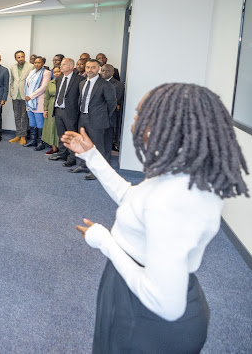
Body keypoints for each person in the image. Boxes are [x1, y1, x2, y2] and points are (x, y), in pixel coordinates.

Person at [61, 83, 249, 353]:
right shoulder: (178, 174)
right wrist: (92, 156)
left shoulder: (176, 197)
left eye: (139, 116)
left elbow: (165, 304)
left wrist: (106, 242)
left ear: (165, 126)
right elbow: (132, 199)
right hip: (133, 286)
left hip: (148, 318)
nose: (132, 124)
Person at [71, 59, 116, 180]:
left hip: (97, 120)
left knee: (97, 147)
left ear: (98, 69)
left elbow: (112, 103)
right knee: (83, 144)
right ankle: (84, 165)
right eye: (88, 67)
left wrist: (103, 116)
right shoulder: (82, 83)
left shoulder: (105, 84)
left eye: (93, 67)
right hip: (83, 117)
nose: (90, 70)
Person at [49, 58, 85, 167]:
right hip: (58, 110)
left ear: (70, 66)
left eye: (64, 64)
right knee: (61, 135)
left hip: (70, 112)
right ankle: (62, 153)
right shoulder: (59, 78)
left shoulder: (79, 80)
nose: (61, 66)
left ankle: (72, 158)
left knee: (71, 136)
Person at [23, 56, 52, 150]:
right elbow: (27, 85)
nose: (36, 64)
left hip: (38, 101)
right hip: (29, 101)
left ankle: (41, 142)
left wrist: (30, 96)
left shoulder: (46, 73)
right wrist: (27, 97)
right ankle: (33, 140)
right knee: (32, 122)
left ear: (43, 63)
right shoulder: (32, 72)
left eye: (39, 62)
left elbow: (43, 88)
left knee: (39, 122)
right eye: (35, 62)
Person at [8, 50, 33, 144]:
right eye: (18, 57)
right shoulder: (12, 67)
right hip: (15, 95)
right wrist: (11, 92)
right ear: (15, 58)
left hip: (25, 95)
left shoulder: (30, 66)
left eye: (22, 56)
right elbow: (11, 81)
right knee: (17, 116)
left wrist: (30, 94)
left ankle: (23, 136)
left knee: (24, 116)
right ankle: (18, 135)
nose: (21, 59)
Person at [101, 63, 124, 152]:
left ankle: (106, 159)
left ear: (113, 72)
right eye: (102, 70)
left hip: (109, 115)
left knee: (107, 138)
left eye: (107, 71)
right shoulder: (97, 82)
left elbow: (114, 101)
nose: (104, 72)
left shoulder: (118, 85)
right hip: (96, 115)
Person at [41, 66, 62, 155]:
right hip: (51, 107)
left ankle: (62, 149)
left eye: (58, 71)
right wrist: (45, 109)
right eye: (55, 72)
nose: (57, 73)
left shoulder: (65, 83)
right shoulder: (50, 83)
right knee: (51, 127)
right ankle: (54, 148)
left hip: (61, 107)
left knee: (59, 128)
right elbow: (46, 97)